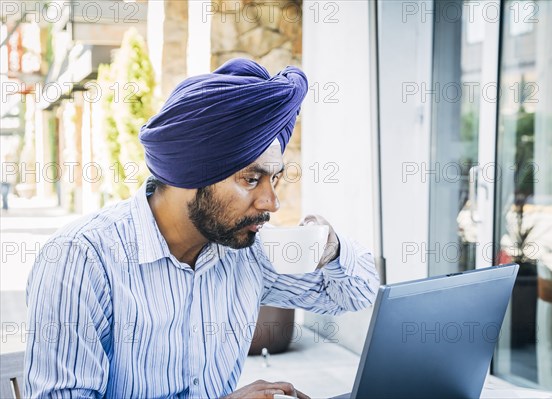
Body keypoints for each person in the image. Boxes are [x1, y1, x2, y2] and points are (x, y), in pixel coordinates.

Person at [24, 59, 380, 398]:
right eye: (252, 179)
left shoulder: (247, 251)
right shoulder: (81, 259)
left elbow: (354, 294)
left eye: (275, 180)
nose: (272, 202)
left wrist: (330, 248)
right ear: (190, 177)